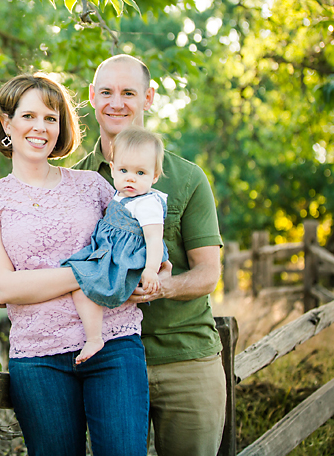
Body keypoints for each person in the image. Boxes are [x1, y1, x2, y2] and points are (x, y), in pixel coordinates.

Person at [0, 73, 149, 456]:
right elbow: (4, 287)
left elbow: (130, 250)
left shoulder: (92, 187)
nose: (40, 127)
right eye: (29, 116)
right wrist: (93, 274)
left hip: (113, 344)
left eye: (51, 118)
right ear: (5, 123)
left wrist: (149, 273)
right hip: (39, 358)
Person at [75, 54, 226, 456]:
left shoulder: (187, 178)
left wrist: (160, 286)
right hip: (110, 363)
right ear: (92, 97)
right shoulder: (76, 182)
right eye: (106, 92)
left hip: (184, 358)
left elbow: (208, 273)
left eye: (129, 93)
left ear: (149, 97)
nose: (116, 103)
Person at [63, 126, 169, 364]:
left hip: (126, 258)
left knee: (82, 283)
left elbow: (153, 238)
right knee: (77, 282)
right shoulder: (120, 195)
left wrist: (151, 269)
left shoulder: (147, 203)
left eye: (140, 173)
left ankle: (94, 338)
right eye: (124, 170)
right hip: (109, 251)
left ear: (154, 176)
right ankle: (93, 335)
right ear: (112, 170)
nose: (131, 178)